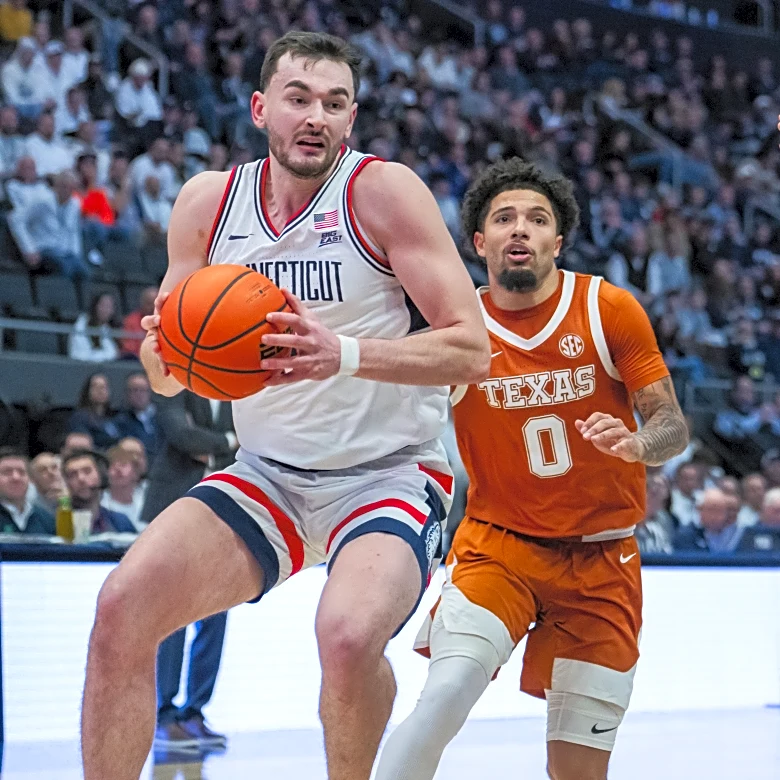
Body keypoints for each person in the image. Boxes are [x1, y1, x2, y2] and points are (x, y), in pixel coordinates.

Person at [80, 31, 489, 780]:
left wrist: (345, 352)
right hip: (267, 473)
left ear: (351, 118)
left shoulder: (383, 192)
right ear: (262, 107)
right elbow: (171, 376)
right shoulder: (210, 201)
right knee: (120, 611)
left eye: (335, 104)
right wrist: (166, 354)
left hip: (388, 475)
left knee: (345, 637)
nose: (317, 117)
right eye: (300, 99)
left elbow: (471, 349)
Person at [375, 158, 688, 780]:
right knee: (446, 693)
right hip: (501, 548)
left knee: (577, 770)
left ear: (558, 240)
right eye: (505, 218)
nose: (521, 229)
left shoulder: (608, 308)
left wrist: (637, 443)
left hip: (605, 560)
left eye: (537, 219)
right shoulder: (457, 330)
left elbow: (672, 424)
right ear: (480, 242)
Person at [141, 389, 238, 751]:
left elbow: (253, 447)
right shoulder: (173, 388)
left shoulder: (239, 392)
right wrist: (228, 441)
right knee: (171, 618)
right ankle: (163, 715)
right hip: (174, 508)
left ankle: (193, 711)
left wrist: (210, 445)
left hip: (225, 511)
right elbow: (181, 437)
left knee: (215, 617)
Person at [62, 449, 135, 534]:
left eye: (87, 471)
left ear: (101, 475)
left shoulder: (120, 522)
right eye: (72, 474)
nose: (81, 478)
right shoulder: (55, 521)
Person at [0, 448, 55, 535]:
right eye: (7, 472)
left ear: (30, 479)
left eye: (21, 472)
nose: (16, 477)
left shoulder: (47, 520)